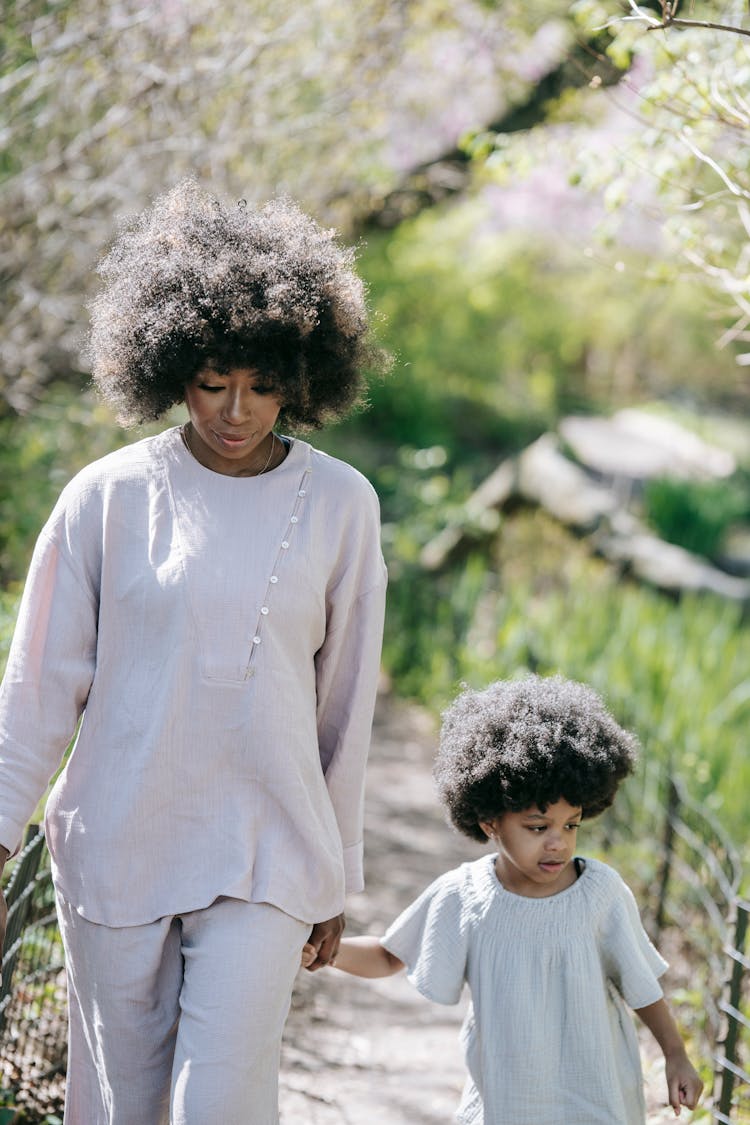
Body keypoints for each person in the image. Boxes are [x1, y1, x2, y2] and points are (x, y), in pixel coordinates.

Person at [0, 179, 388, 1124]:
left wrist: (335, 872)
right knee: (120, 1105)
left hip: (268, 851)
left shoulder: (344, 505)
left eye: (261, 384)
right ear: (168, 367)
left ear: (301, 376)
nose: (236, 410)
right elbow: (39, 685)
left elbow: (344, 707)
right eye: (214, 381)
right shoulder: (105, 498)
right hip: (118, 844)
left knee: (219, 1102)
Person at [302, 675, 704, 1124]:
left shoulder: (600, 894)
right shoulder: (465, 895)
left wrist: (676, 1056)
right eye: (538, 827)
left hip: (595, 1106)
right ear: (491, 820)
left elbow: (642, 987)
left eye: (571, 825)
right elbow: (388, 955)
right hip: (504, 1107)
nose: (558, 843)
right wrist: (325, 950)